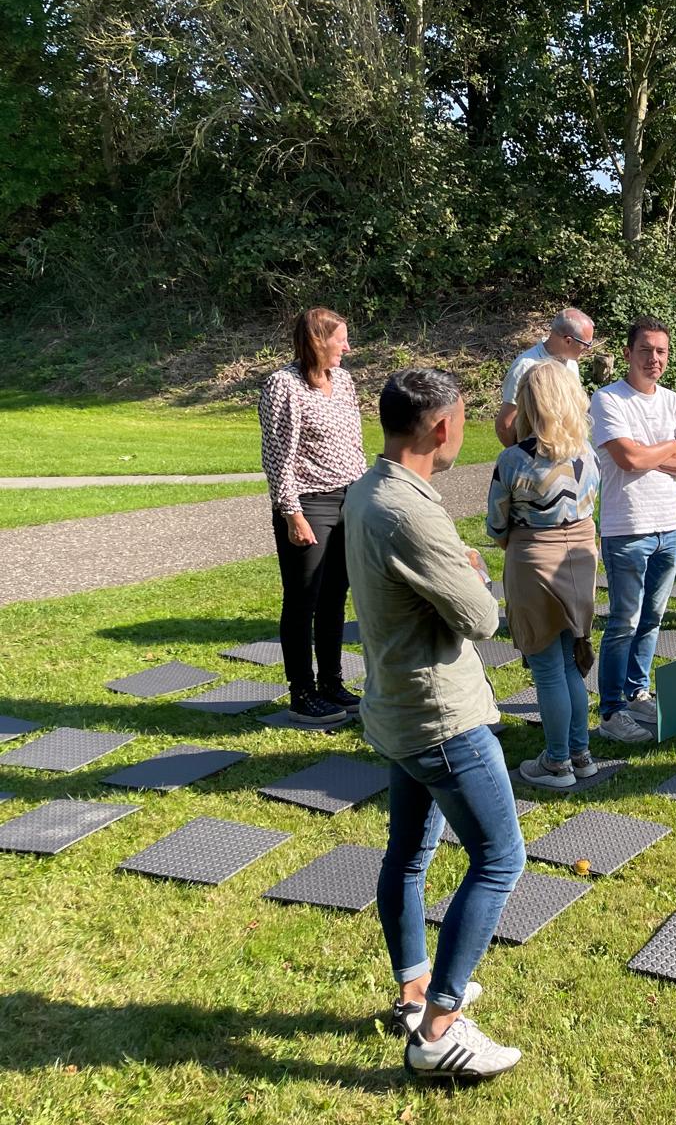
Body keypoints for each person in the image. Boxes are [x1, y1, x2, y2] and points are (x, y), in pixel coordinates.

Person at [343, 367, 524, 1079]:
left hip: (396, 707)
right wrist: (475, 573)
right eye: (462, 420)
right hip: (442, 719)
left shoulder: (368, 489)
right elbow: (481, 618)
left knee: (410, 857)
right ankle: (438, 1029)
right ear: (440, 427)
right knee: (501, 858)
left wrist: (458, 565)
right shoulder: (412, 512)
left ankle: (415, 992)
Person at [486, 362, 601, 788]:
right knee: (572, 661)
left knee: (548, 668)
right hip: (581, 560)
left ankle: (557, 762)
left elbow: (495, 526)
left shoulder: (514, 458)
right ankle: (580, 753)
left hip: (534, 559)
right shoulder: (588, 453)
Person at [590, 317, 676, 741]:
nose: (654, 359)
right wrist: (670, 447)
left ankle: (637, 692)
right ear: (628, 354)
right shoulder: (607, 400)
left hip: (670, 524)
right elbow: (627, 461)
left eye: (661, 352)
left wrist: (654, 452)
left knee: (652, 619)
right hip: (628, 526)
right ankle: (612, 710)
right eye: (646, 350)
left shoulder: (673, 401)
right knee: (623, 621)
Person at [258, 307, 367, 725]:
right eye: (341, 339)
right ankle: (301, 690)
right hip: (309, 503)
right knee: (303, 599)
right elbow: (277, 457)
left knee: (335, 598)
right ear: (319, 341)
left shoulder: (343, 380)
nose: (347, 347)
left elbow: (355, 445)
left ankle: (332, 683)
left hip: (348, 499)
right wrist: (292, 512)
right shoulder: (281, 385)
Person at [493, 308, 595, 446]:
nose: (588, 349)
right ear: (568, 341)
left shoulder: (571, 363)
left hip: (567, 454)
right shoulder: (525, 366)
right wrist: (521, 457)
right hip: (536, 459)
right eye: (587, 344)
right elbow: (505, 424)